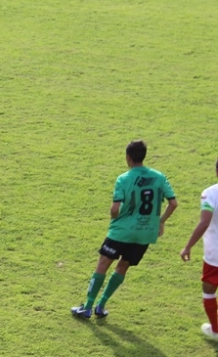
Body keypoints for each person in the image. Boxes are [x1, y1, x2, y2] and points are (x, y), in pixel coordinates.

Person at [71, 140, 178, 319]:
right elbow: (173, 203)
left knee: (103, 264)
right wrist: (160, 222)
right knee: (123, 265)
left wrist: (115, 217)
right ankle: (101, 306)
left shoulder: (123, 179)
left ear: (128, 157)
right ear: (143, 156)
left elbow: (114, 209)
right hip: (145, 232)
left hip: (121, 231)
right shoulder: (160, 177)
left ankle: (88, 306)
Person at [180, 158, 218, 340]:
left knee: (209, 288)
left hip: (215, 254)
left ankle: (216, 330)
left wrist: (188, 246)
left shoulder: (210, 194)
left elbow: (204, 222)